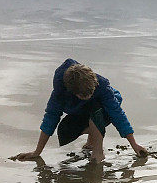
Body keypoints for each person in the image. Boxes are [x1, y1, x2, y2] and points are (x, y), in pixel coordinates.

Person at [13, 58, 147, 162]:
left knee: (95, 106)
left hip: (104, 112)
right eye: (84, 95)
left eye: (91, 92)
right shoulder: (60, 93)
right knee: (64, 132)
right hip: (82, 112)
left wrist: (134, 144)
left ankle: (98, 152)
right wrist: (37, 152)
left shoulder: (101, 86)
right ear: (72, 92)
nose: (88, 96)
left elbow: (117, 114)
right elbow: (50, 118)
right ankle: (91, 139)